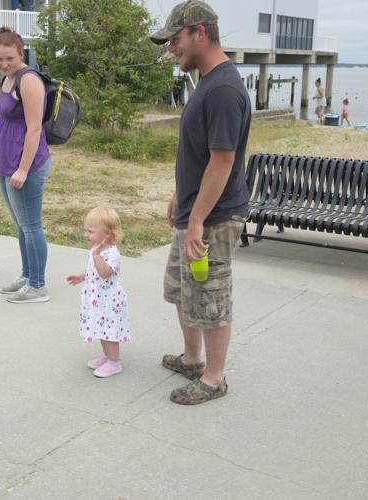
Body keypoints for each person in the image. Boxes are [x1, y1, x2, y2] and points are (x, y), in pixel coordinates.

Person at [151, 0, 251, 405]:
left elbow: (224, 160)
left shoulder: (224, 89)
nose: (171, 48)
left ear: (200, 33)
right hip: (195, 211)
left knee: (210, 295)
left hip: (214, 218)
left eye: (175, 40)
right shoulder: (205, 82)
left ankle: (214, 378)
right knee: (181, 290)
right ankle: (193, 358)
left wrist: (198, 221)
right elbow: (200, 153)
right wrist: (181, 195)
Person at [0, 26, 52, 304]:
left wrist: (24, 169)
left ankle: (38, 286)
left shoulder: (28, 80)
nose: (4, 64)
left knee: (31, 226)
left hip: (26, 165)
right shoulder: (9, 78)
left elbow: (35, 129)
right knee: (20, 225)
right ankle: (28, 275)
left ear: (20, 54)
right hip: (8, 164)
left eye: (9, 59)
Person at [66, 207, 131, 378]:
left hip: (109, 300)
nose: (86, 234)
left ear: (107, 235)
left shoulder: (111, 254)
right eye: (85, 230)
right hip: (98, 298)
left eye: (91, 231)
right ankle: (108, 357)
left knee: (110, 331)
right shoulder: (98, 250)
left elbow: (105, 273)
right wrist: (83, 276)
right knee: (102, 329)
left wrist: (96, 257)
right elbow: (95, 272)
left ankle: (114, 362)